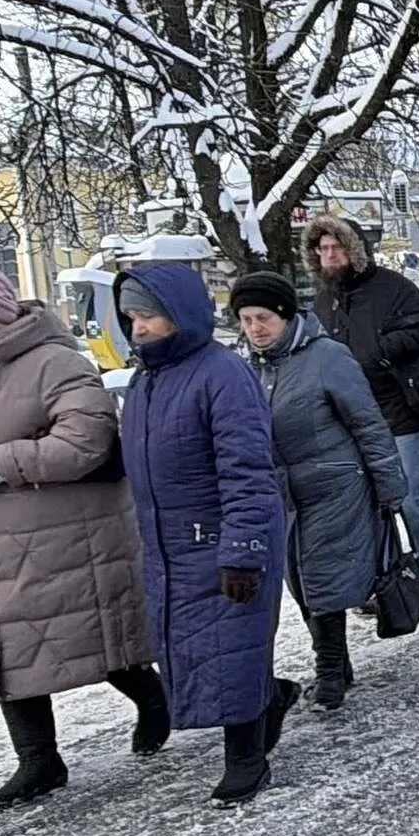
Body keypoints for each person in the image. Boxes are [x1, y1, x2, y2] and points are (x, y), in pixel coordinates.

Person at [0, 264, 163, 810]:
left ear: (0, 316)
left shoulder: (55, 363)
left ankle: (156, 703)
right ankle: (39, 760)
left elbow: (87, 441)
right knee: (10, 645)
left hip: (69, 535)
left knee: (97, 636)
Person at [115, 263, 294, 807]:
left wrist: (242, 550)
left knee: (230, 650)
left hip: (223, 542)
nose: (139, 328)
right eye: (131, 318)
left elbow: (248, 471)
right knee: (197, 651)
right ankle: (268, 702)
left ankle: (246, 759)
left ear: (180, 314)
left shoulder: (222, 374)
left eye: (148, 315)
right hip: (170, 545)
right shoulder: (145, 381)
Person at [233, 272, 406, 712]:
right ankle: (336, 662)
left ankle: (330, 669)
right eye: (247, 319)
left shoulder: (327, 357)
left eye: (264, 317)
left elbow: (367, 423)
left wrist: (389, 484)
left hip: (335, 484)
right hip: (282, 494)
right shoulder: (246, 368)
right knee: (298, 579)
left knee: (321, 579)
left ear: (287, 316)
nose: (255, 328)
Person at [300, 214, 419, 606]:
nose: (330, 256)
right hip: (350, 415)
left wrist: (381, 350)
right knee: (366, 501)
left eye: (337, 248)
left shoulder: (391, 286)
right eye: (324, 250)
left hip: (399, 405)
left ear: (354, 250)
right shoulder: (323, 299)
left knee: (407, 493)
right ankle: (384, 577)